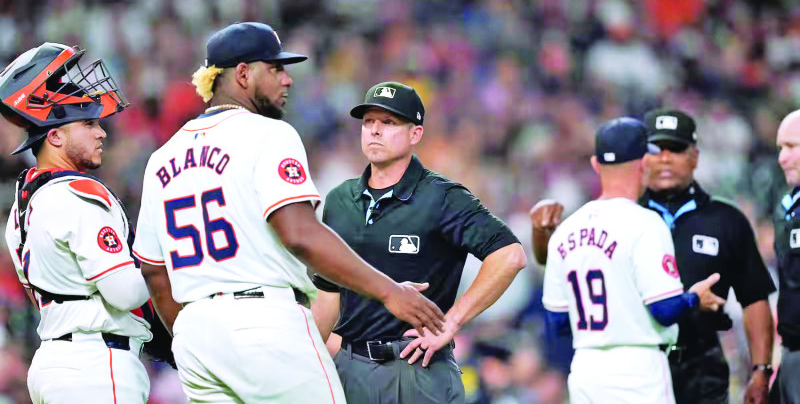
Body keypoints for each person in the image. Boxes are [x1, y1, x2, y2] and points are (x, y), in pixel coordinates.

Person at [131, 23, 445, 403]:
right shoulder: (267, 133)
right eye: (276, 68)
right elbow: (299, 233)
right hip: (264, 324)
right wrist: (389, 291)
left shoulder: (161, 157)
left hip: (196, 336)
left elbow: (153, 270)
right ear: (243, 74)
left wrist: (192, 334)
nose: (288, 79)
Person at [533, 110, 776, 404]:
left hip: (603, 368)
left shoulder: (573, 226)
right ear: (642, 162)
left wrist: (761, 370)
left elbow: (557, 321)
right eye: (656, 150)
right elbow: (664, 309)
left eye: (675, 149)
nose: (664, 158)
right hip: (642, 364)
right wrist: (694, 299)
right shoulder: (644, 222)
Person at [310, 81, 528, 404]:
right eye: (369, 121)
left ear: (416, 134)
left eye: (389, 122)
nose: (375, 131)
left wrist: (452, 320)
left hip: (419, 369)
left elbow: (510, 255)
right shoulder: (340, 200)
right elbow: (328, 295)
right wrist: (305, 358)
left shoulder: (441, 197)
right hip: (351, 367)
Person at [1, 43, 153, 403]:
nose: (101, 133)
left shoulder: (22, 203)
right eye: (88, 123)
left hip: (52, 363)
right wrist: (160, 252)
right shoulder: (78, 193)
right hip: (96, 366)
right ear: (54, 136)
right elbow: (126, 293)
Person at [774, 109, 800, 404]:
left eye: (792, 146)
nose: (782, 158)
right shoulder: (788, 207)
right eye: (781, 148)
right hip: (791, 351)